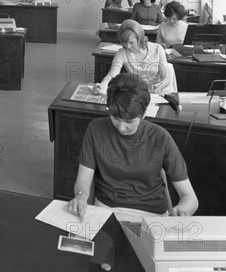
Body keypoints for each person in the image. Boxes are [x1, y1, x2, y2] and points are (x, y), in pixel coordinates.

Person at [68, 73, 198, 218]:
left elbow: (190, 197)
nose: (121, 127)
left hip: (151, 215)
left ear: (143, 114)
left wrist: (182, 210)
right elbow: (83, 180)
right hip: (107, 210)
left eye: (129, 121)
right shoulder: (95, 129)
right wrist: (80, 196)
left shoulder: (161, 137)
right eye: (115, 118)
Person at [96, 19, 177, 94]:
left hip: (158, 91)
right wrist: (102, 85)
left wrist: (156, 88)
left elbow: (166, 78)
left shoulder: (157, 49)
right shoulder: (122, 53)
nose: (127, 46)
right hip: (138, 92)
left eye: (131, 42)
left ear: (140, 38)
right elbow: (111, 75)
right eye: (124, 42)